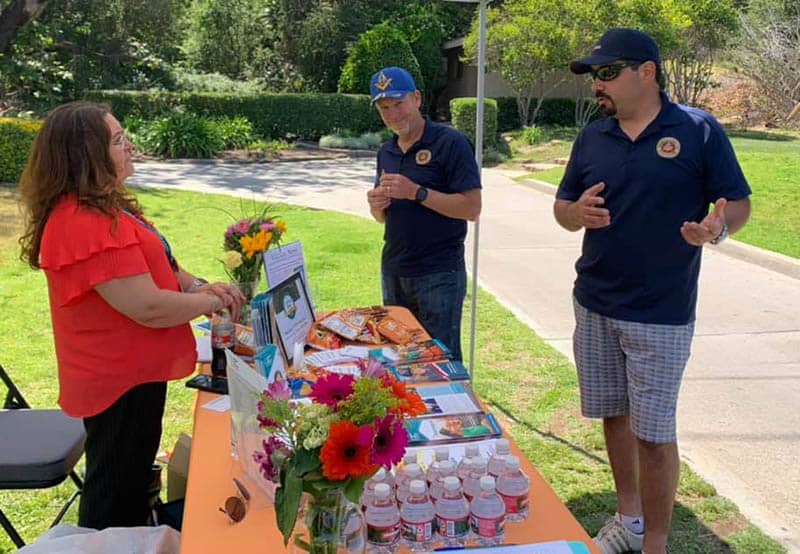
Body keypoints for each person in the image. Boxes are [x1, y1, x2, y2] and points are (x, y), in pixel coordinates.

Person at [553, 29, 751, 554]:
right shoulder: (593, 137)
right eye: (594, 75)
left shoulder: (697, 130)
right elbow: (562, 208)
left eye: (607, 72)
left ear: (647, 72)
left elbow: (737, 202)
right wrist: (575, 214)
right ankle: (630, 519)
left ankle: (655, 544)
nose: (597, 85)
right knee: (615, 415)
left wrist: (718, 228)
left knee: (654, 432)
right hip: (594, 301)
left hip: (660, 312)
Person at [18, 101, 245, 530]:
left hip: (135, 373)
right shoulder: (82, 220)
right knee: (114, 492)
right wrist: (212, 303)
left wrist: (200, 287)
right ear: (87, 155)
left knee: (132, 476)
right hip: (118, 381)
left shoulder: (106, 206)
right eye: (119, 141)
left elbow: (164, 264)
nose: (130, 147)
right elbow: (149, 307)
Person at [366, 66, 482, 361]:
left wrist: (417, 192)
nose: (392, 114)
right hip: (393, 269)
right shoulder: (386, 152)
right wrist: (376, 206)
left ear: (417, 99)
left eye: (398, 103)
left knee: (439, 361)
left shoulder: (450, 142)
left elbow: (472, 208)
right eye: (384, 107)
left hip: (438, 273)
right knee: (400, 357)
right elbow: (383, 219)